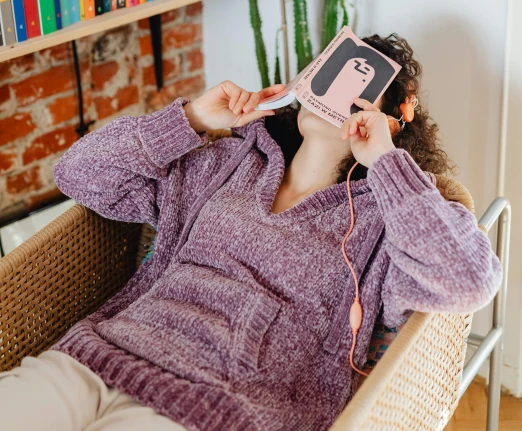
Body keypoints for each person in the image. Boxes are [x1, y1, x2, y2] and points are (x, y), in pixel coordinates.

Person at [0, 34, 501, 431]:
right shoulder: (226, 162)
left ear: (389, 118)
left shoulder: (385, 219)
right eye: (330, 72)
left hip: (211, 407)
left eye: (360, 87)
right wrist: (191, 118)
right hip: (96, 356)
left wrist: (389, 165)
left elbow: (469, 280)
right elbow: (78, 174)